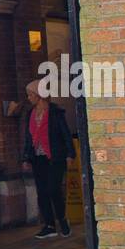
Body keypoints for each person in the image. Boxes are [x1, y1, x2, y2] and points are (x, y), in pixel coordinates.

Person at [22, 78, 74, 239]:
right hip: (38, 158)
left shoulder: (55, 113)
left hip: (54, 157)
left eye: (30, 95)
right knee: (42, 192)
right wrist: (26, 158)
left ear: (39, 95)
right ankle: (49, 225)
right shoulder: (30, 114)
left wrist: (70, 154)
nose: (28, 98)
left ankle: (62, 220)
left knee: (53, 189)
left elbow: (65, 133)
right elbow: (28, 138)